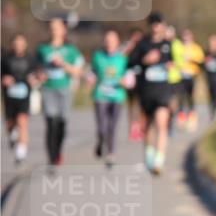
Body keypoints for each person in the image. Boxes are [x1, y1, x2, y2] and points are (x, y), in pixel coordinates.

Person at [128, 12, 175, 174]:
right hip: (146, 91)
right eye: (153, 24)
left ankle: (159, 161)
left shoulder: (168, 44)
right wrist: (144, 60)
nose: (156, 27)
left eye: (158, 23)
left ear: (162, 25)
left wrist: (170, 66)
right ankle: (149, 155)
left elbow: (175, 62)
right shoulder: (143, 44)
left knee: (161, 123)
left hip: (163, 91)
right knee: (148, 126)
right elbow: (130, 62)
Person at [37, 18, 85, 167]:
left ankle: (58, 151)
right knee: (50, 123)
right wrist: (39, 74)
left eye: (57, 27)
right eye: (51, 27)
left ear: (64, 30)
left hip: (64, 89)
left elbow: (78, 72)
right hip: (48, 89)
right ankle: (51, 158)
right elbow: (35, 69)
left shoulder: (71, 50)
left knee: (61, 124)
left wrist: (63, 64)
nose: (54, 30)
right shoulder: (42, 49)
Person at [87, 29, 129, 167]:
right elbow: (92, 72)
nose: (109, 43)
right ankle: (100, 141)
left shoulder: (123, 59)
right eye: (107, 40)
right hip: (101, 95)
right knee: (102, 127)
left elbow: (129, 77)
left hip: (117, 96)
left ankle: (111, 153)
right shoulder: (98, 56)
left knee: (112, 127)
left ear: (117, 42)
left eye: (112, 40)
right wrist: (90, 79)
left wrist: (125, 82)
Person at [1, 33, 41, 163]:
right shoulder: (5, 59)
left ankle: (21, 152)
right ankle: (12, 134)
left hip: (24, 96)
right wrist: (4, 79)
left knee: (22, 122)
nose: (19, 46)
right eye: (16, 43)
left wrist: (34, 79)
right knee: (10, 124)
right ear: (12, 45)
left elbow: (37, 75)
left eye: (21, 43)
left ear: (25, 45)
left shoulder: (31, 59)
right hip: (9, 97)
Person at [173, 28, 204, 132]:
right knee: (180, 97)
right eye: (184, 36)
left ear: (191, 37)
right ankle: (181, 119)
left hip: (192, 75)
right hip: (180, 75)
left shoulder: (196, 48)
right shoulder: (179, 47)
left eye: (188, 36)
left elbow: (201, 61)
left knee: (190, 97)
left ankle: (192, 118)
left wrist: (191, 59)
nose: (186, 38)